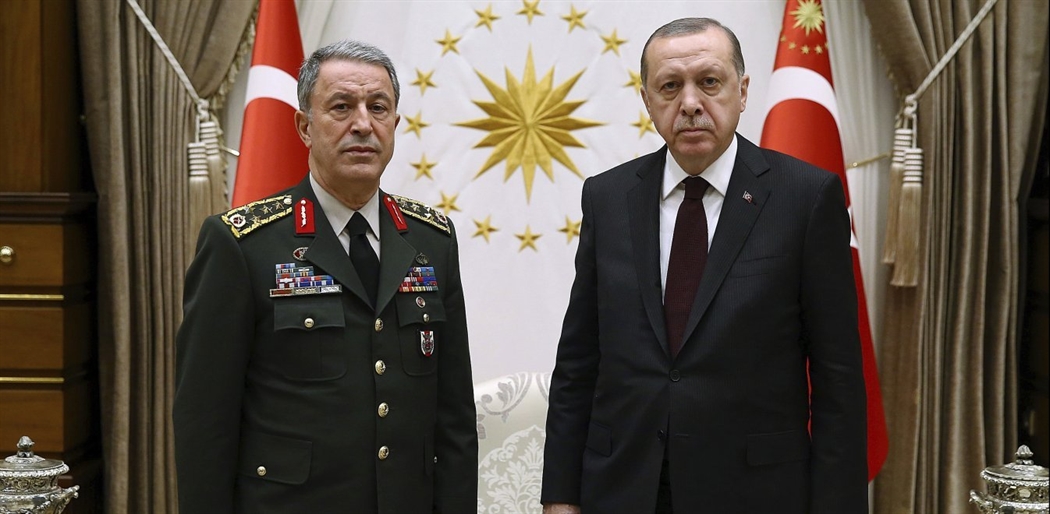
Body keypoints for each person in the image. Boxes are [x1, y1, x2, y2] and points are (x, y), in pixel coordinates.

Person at [541, 18, 867, 514]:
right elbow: (578, 361)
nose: (690, 103)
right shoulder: (608, 198)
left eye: (709, 82)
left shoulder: (806, 197)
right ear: (647, 100)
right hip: (624, 487)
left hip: (755, 493)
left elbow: (837, 377)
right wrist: (561, 495)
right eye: (670, 86)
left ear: (743, 91)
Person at [173, 39, 477, 513]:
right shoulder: (242, 245)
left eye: (378, 108)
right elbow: (204, 422)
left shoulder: (432, 239)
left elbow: (454, 417)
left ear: (395, 125)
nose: (363, 124)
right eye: (341, 107)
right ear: (304, 127)